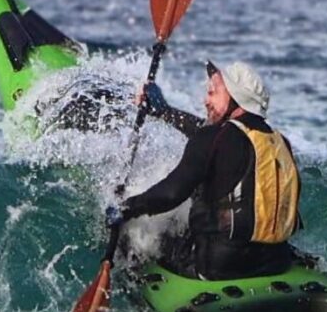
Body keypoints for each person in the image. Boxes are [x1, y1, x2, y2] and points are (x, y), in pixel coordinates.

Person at [107, 61, 302, 281]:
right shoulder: (279, 142)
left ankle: (126, 288)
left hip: (219, 267)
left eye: (212, 92)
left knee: (138, 232)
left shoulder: (215, 138)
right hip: (276, 261)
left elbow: (171, 194)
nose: (205, 100)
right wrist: (165, 112)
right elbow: (212, 137)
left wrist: (125, 208)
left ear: (235, 98)